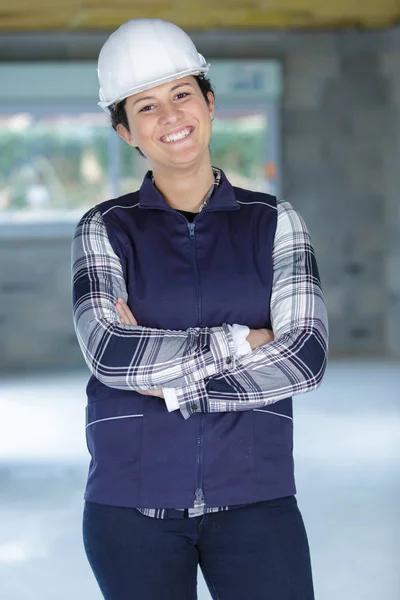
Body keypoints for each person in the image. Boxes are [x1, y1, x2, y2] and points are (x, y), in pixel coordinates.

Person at [72, 17, 329, 600]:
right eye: (146, 107)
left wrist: (168, 381)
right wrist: (246, 343)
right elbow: (111, 353)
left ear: (209, 104)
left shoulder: (275, 222)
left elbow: (305, 357)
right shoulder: (104, 228)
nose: (171, 117)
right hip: (129, 506)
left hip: (256, 498)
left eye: (182, 94)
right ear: (126, 132)